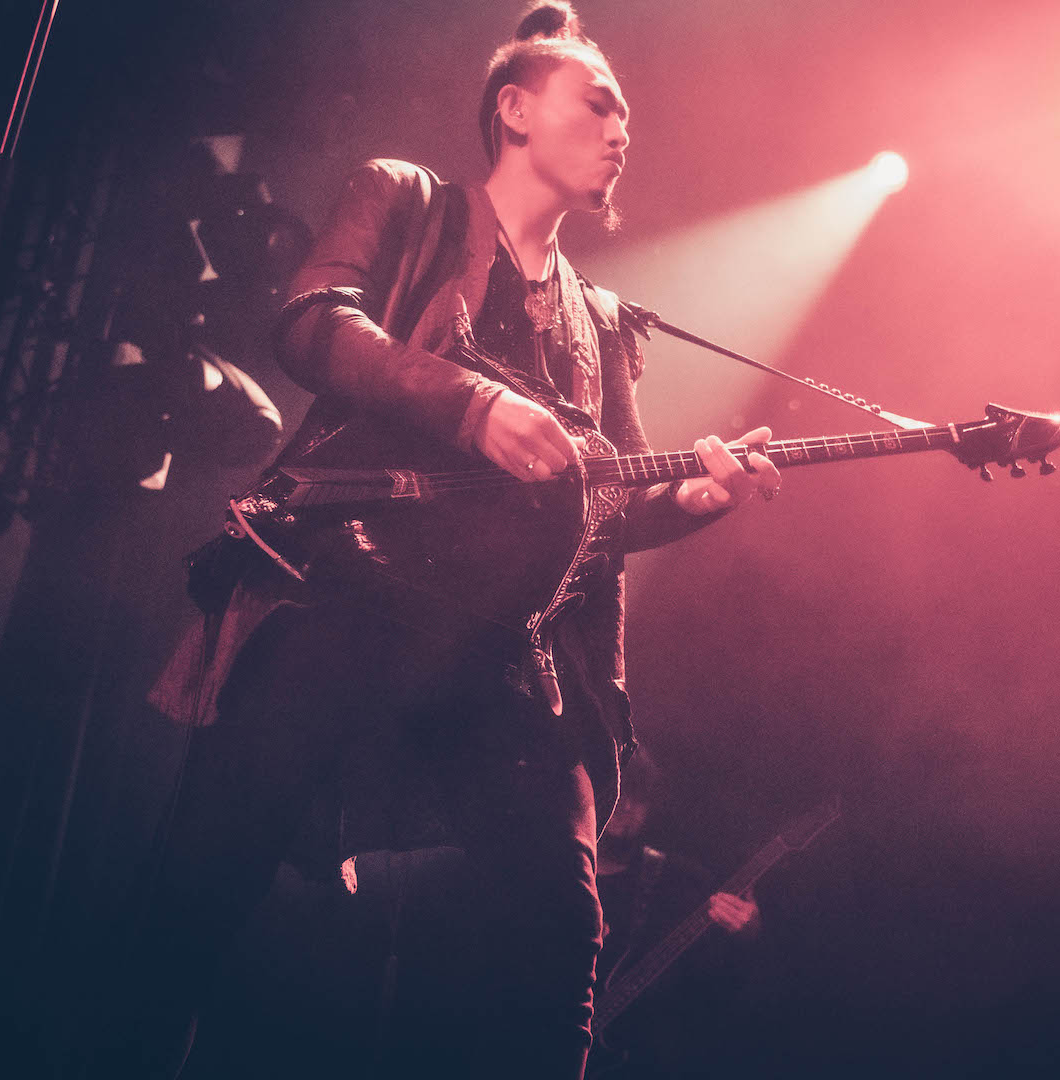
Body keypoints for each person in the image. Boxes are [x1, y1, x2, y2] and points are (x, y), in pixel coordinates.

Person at [109, 3, 782, 1078]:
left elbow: (611, 494)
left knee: (562, 928)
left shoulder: (602, 318)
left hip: (502, 652)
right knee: (208, 866)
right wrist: (472, 407)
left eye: (625, 115)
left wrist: (696, 500)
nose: (621, 130)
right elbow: (313, 320)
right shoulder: (405, 198)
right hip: (344, 593)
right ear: (515, 110)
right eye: (598, 102)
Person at [590, 749, 762, 1078]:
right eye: (620, 792)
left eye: (639, 798)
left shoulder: (678, 881)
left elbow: (717, 986)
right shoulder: (553, 876)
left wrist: (748, 934)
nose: (626, 807)